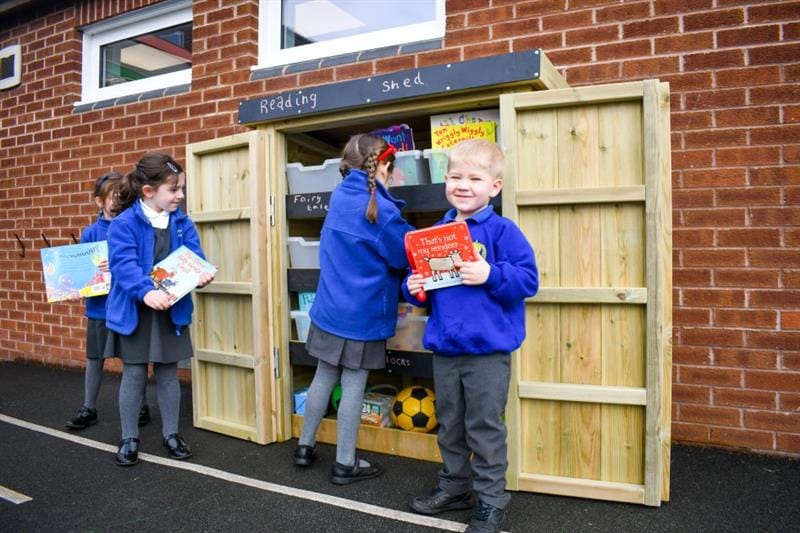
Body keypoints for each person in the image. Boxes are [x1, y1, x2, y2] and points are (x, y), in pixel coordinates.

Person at [403, 139, 539, 533]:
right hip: (446, 349)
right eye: (455, 176)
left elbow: (529, 280)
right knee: (450, 424)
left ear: (494, 187)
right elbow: (425, 292)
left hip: (487, 354)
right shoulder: (437, 232)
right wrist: (412, 287)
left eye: (475, 178)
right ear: (445, 181)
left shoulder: (502, 231)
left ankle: (492, 501)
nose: (463, 185)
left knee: (484, 426)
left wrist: (490, 274)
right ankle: (455, 488)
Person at [294, 134, 414, 485]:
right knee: (354, 385)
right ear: (384, 167)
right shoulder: (385, 212)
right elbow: (401, 255)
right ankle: (345, 462)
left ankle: (305, 445)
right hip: (363, 314)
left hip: (330, 307)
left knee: (323, 375)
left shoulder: (340, 195)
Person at [105, 152, 214, 467]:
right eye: (174, 189)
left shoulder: (182, 222)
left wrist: (201, 275)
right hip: (137, 311)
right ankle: (129, 438)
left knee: (168, 374)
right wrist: (145, 292)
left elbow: (194, 257)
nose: (180, 195)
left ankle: (171, 434)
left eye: (181, 189)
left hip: (171, 311)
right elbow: (123, 266)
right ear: (148, 192)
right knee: (135, 374)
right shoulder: (124, 223)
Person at [65, 172, 151, 431]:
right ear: (98, 202)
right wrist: (77, 284)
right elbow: (80, 275)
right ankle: (88, 407)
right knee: (94, 358)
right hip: (99, 309)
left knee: (134, 361)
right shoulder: (91, 233)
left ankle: (141, 405)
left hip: (127, 307)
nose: (117, 200)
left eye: (121, 195)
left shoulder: (133, 227)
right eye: (112, 196)